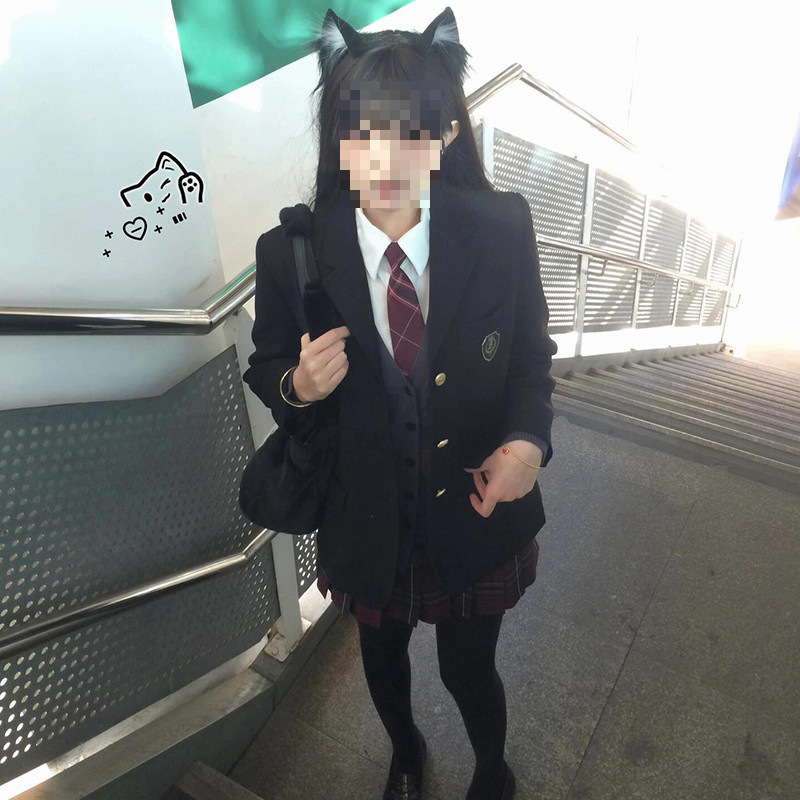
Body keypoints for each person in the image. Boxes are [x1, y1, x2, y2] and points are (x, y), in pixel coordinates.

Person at [242, 7, 558, 799]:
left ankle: (492, 769)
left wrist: (529, 442)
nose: (384, 157)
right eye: (362, 132)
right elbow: (268, 363)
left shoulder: (502, 228)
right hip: (365, 516)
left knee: (469, 667)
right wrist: (295, 385)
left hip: (475, 510)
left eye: (408, 131)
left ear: (444, 133)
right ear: (338, 137)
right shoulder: (290, 254)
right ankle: (407, 754)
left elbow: (531, 356)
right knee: (380, 662)